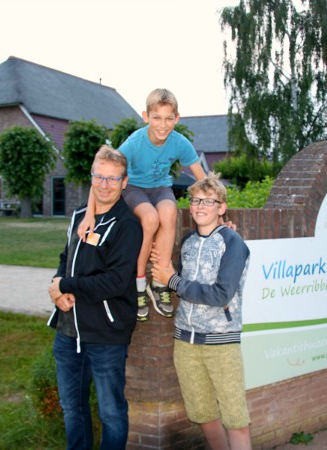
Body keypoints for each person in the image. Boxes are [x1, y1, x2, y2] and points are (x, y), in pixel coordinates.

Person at [78, 88, 206, 322]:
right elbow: (103, 174)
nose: (163, 124)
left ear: (177, 119)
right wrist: (90, 214)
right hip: (134, 189)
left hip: (160, 189)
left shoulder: (179, 142)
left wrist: (219, 208)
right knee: (150, 218)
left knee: (168, 212)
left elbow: (203, 179)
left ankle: (160, 282)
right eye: (156, 117)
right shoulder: (135, 142)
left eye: (169, 118)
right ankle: (138, 285)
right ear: (146, 117)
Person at [47, 145, 143, 450]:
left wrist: (66, 285)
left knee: (111, 413)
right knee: (72, 408)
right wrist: (57, 286)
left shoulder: (127, 226)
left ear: (124, 182)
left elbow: (114, 282)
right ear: (91, 178)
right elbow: (66, 257)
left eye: (113, 179)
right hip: (68, 332)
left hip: (106, 335)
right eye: (99, 177)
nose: (105, 184)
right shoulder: (79, 215)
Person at [150, 172, 252, 450]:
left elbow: (221, 295)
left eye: (209, 201)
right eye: (195, 200)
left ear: (222, 208)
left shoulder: (233, 243)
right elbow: (185, 286)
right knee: (204, 415)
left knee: (236, 418)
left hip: (221, 342)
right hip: (186, 343)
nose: (200, 206)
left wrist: (172, 280)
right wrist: (172, 280)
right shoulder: (188, 242)